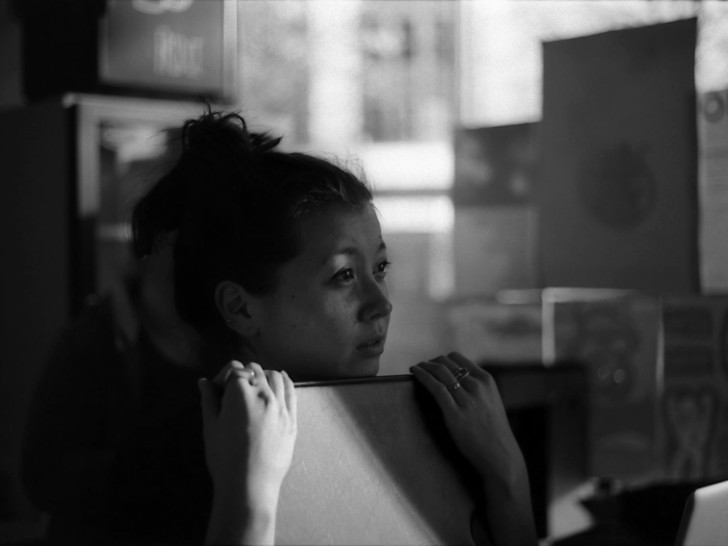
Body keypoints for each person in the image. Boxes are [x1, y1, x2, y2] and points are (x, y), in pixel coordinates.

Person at [125, 109, 537, 546]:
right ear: (241, 309)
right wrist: (250, 494)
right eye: (343, 276)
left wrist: (507, 473)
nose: (381, 304)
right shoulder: (165, 468)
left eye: (379, 267)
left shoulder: (439, 423)